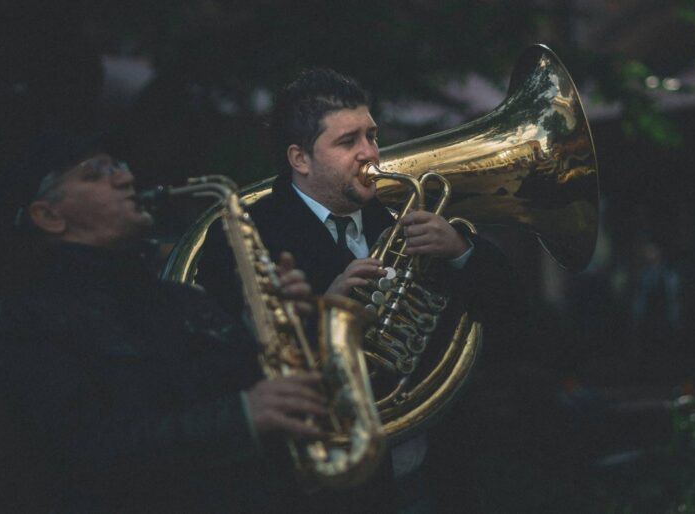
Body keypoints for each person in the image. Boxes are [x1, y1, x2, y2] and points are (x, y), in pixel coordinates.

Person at [198, 68, 524, 513]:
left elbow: (510, 313)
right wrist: (323, 308)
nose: (371, 153)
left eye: (372, 135)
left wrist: (461, 250)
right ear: (300, 159)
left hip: (430, 475)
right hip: (323, 491)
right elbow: (232, 364)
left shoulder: (402, 219)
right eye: (348, 141)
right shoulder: (246, 235)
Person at [0, 131, 331, 513]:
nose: (126, 178)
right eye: (95, 174)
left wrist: (281, 327)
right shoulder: (33, 320)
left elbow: (237, 383)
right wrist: (239, 419)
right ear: (49, 216)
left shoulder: (177, 299)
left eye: (118, 166)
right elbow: (85, 453)